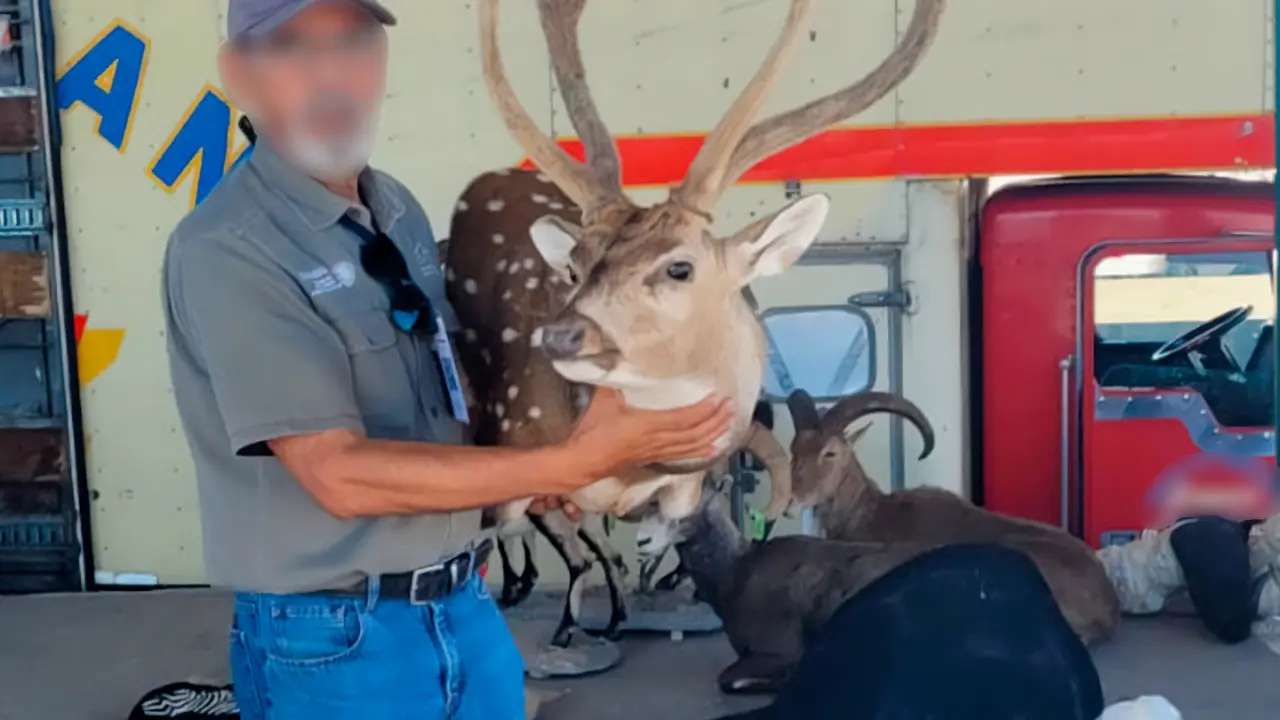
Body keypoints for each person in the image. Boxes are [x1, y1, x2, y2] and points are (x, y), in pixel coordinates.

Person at [160, 1, 734, 718]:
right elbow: (336, 473)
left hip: (466, 606)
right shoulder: (229, 250)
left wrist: (530, 468)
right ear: (239, 74)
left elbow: (440, 389)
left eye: (354, 44)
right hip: (336, 642)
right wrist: (570, 463)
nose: (330, 74)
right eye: (291, 49)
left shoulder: (394, 208)